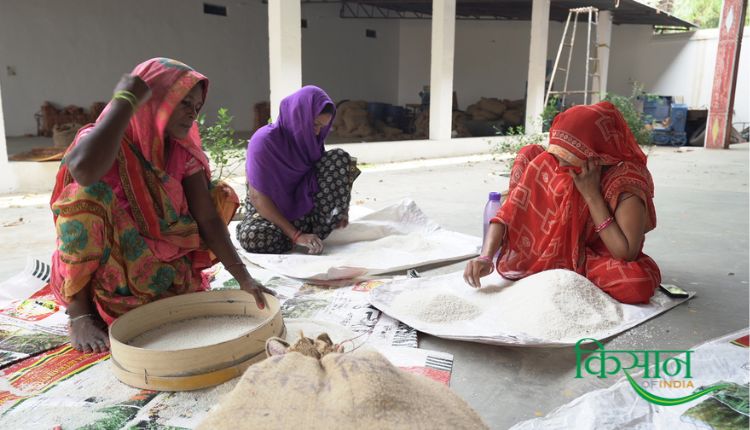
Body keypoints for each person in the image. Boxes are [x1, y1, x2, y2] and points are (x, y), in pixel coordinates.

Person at [50, 58, 270, 354]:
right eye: (184, 103)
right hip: (109, 263)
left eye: (197, 106)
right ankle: (80, 313)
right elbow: (84, 172)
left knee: (218, 194)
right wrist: (125, 102)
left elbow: (206, 217)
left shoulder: (180, 152)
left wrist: (243, 277)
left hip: (154, 265)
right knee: (86, 198)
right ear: (153, 101)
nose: (192, 113)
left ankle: (147, 297)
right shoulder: (103, 140)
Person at [464, 101, 661, 304]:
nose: (561, 164)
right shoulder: (553, 162)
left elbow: (625, 252)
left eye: (568, 156)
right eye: (558, 154)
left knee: (636, 283)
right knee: (529, 154)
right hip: (541, 246)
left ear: (595, 153)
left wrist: (591, 194)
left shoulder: (625, 180)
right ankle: (558, 267)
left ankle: (562, 269)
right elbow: (509, 212)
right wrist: (486, 258)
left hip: (592, 254)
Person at [237, 86, 360, 255]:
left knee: (339, 157)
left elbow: (324, 177)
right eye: (315, 124)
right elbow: (258, 198)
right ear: (298, 116)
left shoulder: (310, 142)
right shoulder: (264, 141)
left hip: (305, 213)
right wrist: (296, 235)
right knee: (253, 236)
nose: (318, 132)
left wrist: (341, 209)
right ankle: (296, 236)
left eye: (323, 127)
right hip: (269, 213)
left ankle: (311, 234)